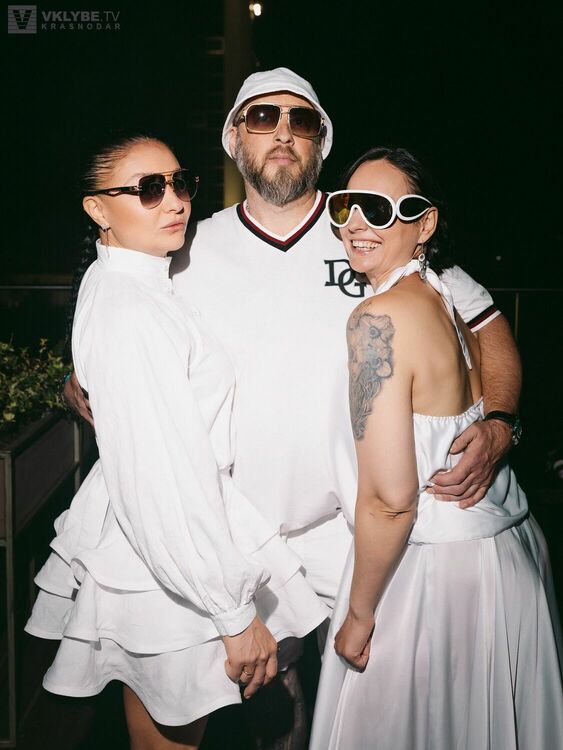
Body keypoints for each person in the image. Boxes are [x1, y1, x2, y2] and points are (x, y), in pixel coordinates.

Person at [64, 69, 523, 744]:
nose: (281, 132)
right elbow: (130, 329)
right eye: (261, 117)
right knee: (264, 715)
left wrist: (500, 423)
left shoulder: (368, 225)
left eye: (300, 120)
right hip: (239, 535)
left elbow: (487, 329)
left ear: (321, 140)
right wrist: (83, 378)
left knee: (370, 716)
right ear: (233, 138)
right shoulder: (184, 243)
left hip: (356, 531)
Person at [25, 134, 328, 750]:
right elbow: (161, 478)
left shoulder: (132, 282)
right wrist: (232, 613)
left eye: (179, 182)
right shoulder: (132, 308)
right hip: (171, 557)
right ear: (97, 208)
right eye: (148, 189)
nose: (174, 201)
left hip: (172, 546)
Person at [309, 147, 563, 750]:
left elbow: (392, 501)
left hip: (428, 578)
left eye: (379, 209)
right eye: (346, 206)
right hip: (501, 560)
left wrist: (360, 614)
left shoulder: (377, 319)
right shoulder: (441, 297)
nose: (356, 223)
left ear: (424, 224)